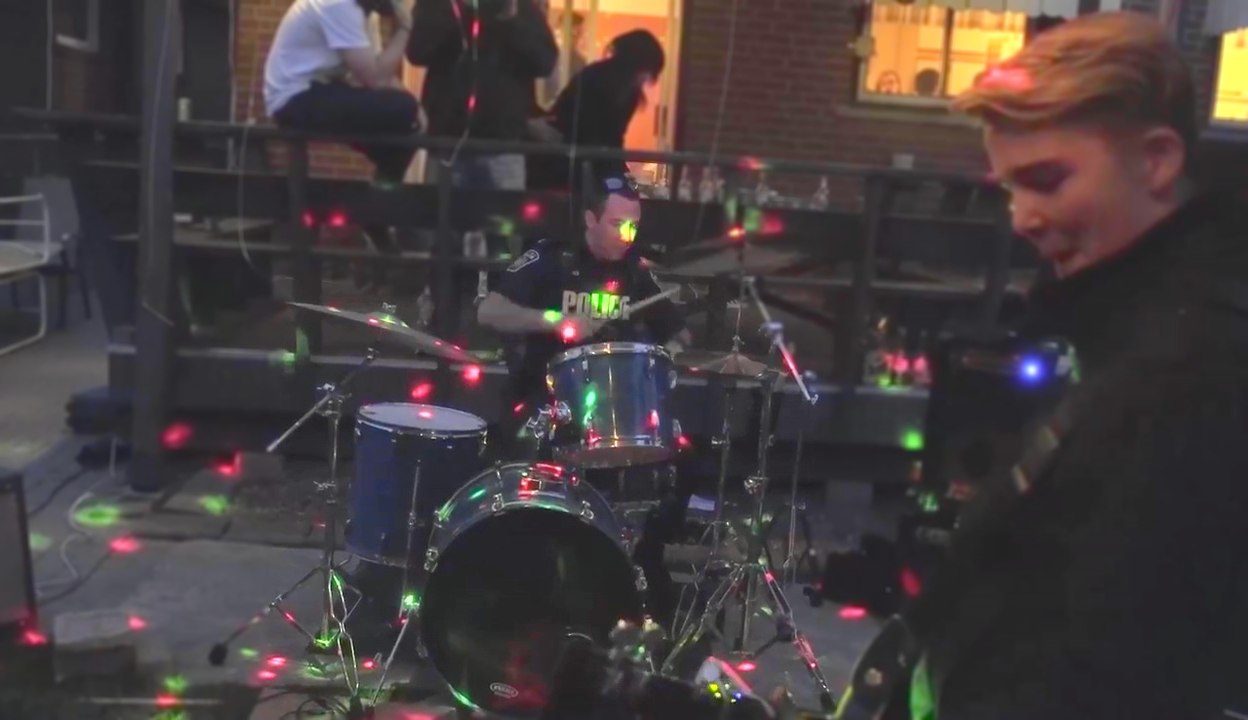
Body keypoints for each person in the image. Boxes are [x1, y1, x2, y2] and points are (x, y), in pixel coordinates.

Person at [892, 12, 1248, 720]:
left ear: (1156, 160)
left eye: (1048, 181)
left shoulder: (1194, 368)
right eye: (1011, 189)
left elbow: (1116, 657)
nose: (1023, 217)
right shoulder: (1144, 336)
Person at [477, 173, 693, 625]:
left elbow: (677, 332)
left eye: (634, 226)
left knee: (681, 461)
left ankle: (637, 581)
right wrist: (554, 320)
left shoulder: (634, 272)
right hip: (543, 401)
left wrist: (670, 353)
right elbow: (489, 310)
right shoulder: (550, 259)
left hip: (613, 410)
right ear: (591, 220)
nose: (627, 236)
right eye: (617, 224)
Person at [264, 0, 422, 188]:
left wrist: (417, 110)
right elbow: (375, 79)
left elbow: (379, 74)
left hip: (321, 88)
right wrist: (405, 27)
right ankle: (385, 184)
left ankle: (385, 183)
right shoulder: (338, 5)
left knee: (407, 114)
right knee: (403, 108)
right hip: (294, 97)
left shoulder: (365, 14)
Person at [405, 0, 557, 190]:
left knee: (503, 208)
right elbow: (416, 52)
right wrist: (454, 13)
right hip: (447, 141)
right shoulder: (439, 4)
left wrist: (512, 19)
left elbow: (545, 62)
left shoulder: (520, 6)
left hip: (503, 144)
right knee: (440, 207)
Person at [527, 30, 665, 192]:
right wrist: (619, 179)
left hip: (574, 158)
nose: (646, 79)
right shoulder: (614, 89)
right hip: (570, 160)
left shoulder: (601, 80)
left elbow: (609, 139)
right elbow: (604, 137)